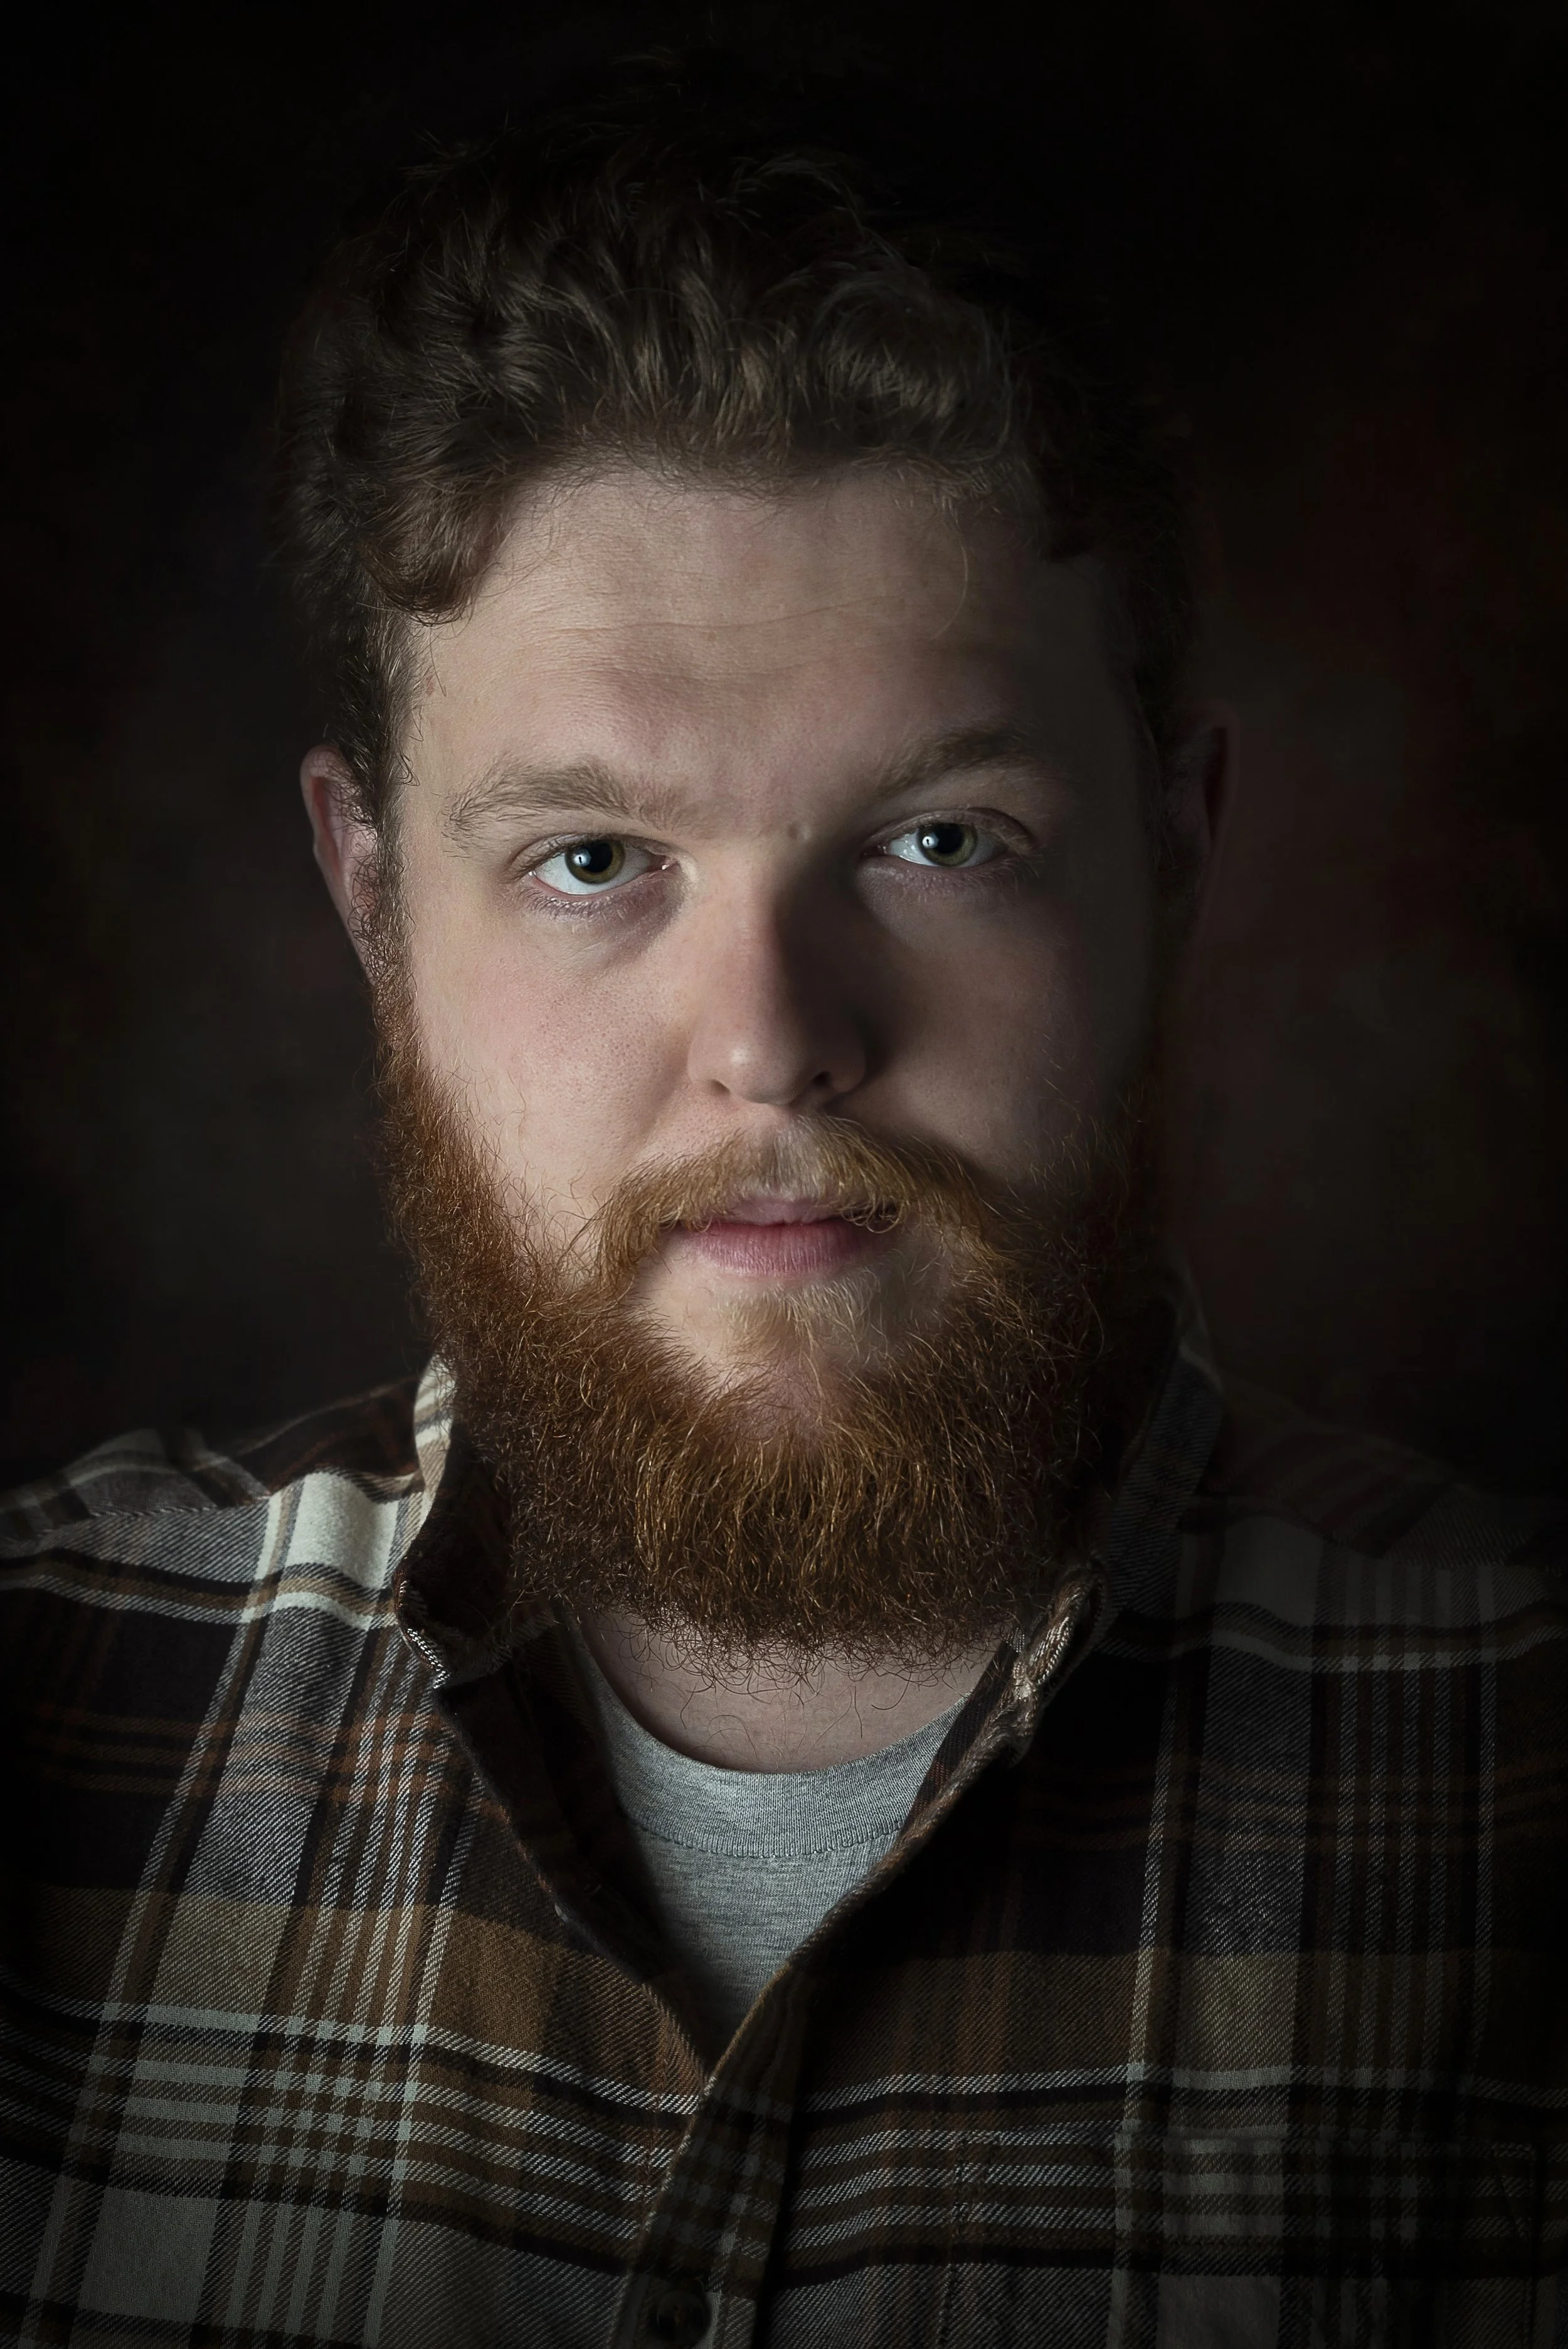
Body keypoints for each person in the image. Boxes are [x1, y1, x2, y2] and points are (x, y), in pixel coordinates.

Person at [3, 59, 1564, 2349]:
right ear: (365, 890)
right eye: (591, 862)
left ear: (1180, 852)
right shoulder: (42, 1706)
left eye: (940, 842)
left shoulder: (1524, 1770)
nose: (771, 1039)